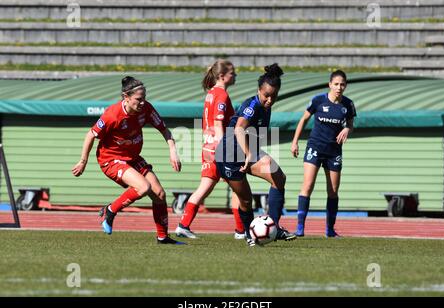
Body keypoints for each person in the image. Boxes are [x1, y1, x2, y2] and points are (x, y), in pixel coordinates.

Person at [72, 76, 185, 244]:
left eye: (144, 98)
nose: (142, 103)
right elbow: (91, 134)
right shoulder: (113, 115)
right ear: (126, 97)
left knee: (159, 194)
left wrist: (172, 150)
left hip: (132, 158)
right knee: (143, 187)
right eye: (138, 99)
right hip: (111, 159)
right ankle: (110, 211)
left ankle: (162, 237)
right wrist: (83, 161)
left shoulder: (146, 109)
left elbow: (164, 130)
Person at [216, 63, 297, 246]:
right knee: (246, 201)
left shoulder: (266, 107)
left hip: (247, 153)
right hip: (229, 155)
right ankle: (249, 235)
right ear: (258, 90)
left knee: (279, 178)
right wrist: (250, 154)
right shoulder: (252, 105)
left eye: (274, 96)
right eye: (266, 95)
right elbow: (238, 129)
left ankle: (274, 229)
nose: (269, 100)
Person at [175, 59, 246, 240]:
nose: (235, 76)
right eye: (233, 73)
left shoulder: (211, 93)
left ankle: (183, 225)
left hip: (208, 146)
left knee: (204, 188)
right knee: (239, 187)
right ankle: (240, 230)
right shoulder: (221, 95)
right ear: (222, 76)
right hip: (217, 147)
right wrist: (224, 153)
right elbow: (217, 124)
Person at [290, 69, 356, 237]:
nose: (339, 87)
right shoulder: (318, 100)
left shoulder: (348, 104)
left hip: (334, 151)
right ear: (330, 85)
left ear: (345, 86)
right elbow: (303, 119)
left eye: (342, 84)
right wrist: (295, 141)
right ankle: (300, 227)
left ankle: (330, 230)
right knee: (308, 185)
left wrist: (348, 129)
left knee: (333, 191)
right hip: (315, 147)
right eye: (336, 84)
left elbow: (350, 123)